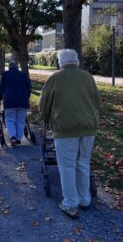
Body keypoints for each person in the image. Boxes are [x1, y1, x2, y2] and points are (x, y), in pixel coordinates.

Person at [39, 49, 100, 219]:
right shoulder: (88, 77)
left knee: (67, 166)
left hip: (65, 129)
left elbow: (44, 105)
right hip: (88, 128)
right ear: (77, 61)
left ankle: (70, 203)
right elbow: (97, 101)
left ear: (60, 63)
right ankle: (85, 199)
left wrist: (46, 120)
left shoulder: (54, 78)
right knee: (83, 163)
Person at [0, 61, 31, 146]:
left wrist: (0, 96)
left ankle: (13, 137)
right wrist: (27, 97)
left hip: (10, 101)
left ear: (9, 67)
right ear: (17, 67)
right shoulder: (23, 74)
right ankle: (19, 140)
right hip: (22, 101)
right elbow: (28, 88)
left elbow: (1, 87)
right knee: (20, 121)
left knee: (10, 119)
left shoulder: (5, 74)